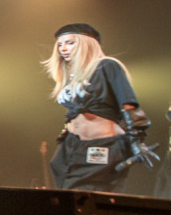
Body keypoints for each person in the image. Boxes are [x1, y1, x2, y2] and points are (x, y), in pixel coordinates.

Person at [43, 24, 147, 192]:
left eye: (70, 43)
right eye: (60, 44)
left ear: (87, 44)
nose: (63, 48)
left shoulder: (107, 65)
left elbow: (128, 104)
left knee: (88, 196)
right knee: (66, 196)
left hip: (101, 145)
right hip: (71, 146)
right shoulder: (72, 76)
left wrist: (137, 140)